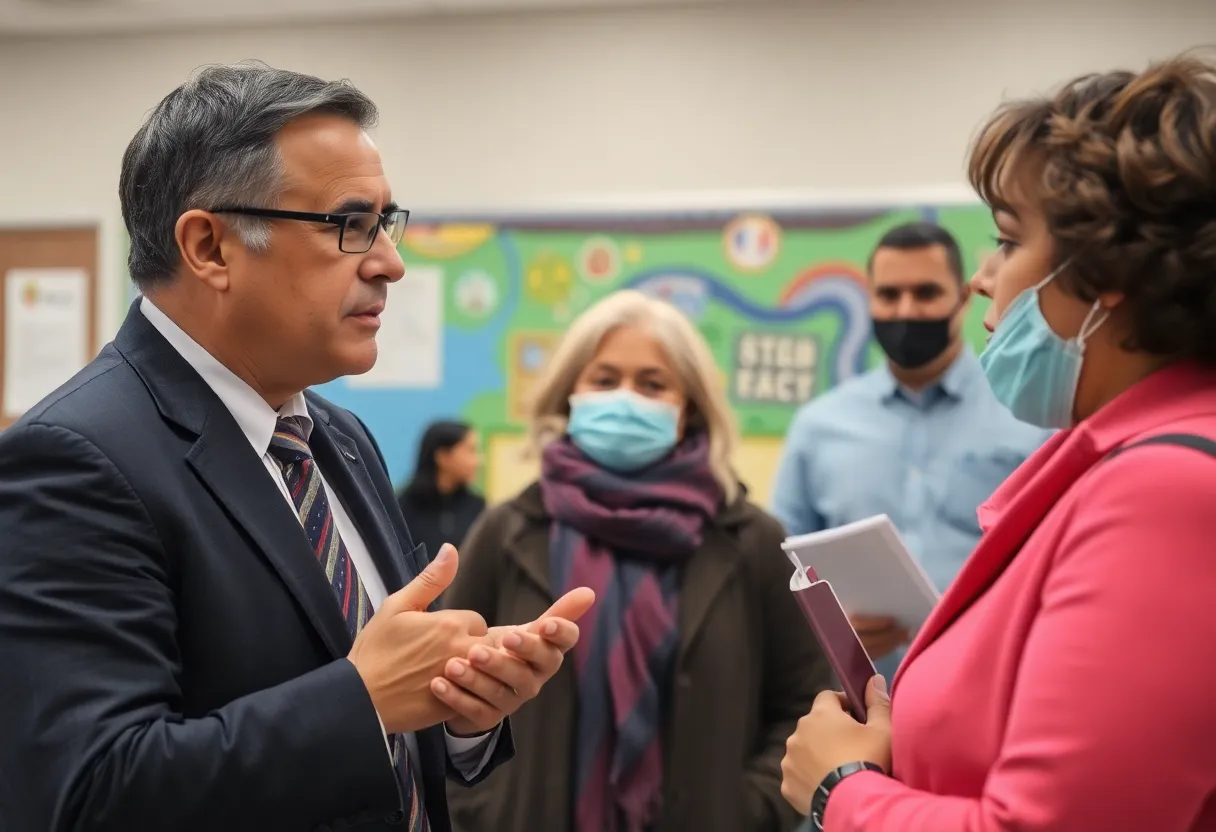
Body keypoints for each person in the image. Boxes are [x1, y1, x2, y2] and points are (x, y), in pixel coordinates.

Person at [0, 62, 595, 832]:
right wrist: (363, 698)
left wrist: (460, 709)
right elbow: (88, 794)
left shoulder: (336, 439)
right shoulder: (74, 461)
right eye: (349, 225)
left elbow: (387, 729)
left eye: (388, 222)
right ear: (210, 247)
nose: (389, 261)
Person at [780, 54, 1216, 832]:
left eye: (1009, 242)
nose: (985, 278)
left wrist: (839, 788)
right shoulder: (1113, 456)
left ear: (1105, 272)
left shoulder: (1166, 490)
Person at [442, 289, 830, 832]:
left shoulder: (750, 539)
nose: (626, 398)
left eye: (652, 384)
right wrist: (482, 811)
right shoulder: (508, 532)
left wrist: (750, 810)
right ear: (569, 392)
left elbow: (805, 701)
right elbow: (447, 693)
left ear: (687, 405)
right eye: (604, 379)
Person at [770, 222, 1050, 680]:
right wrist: (830, 625)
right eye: (889, 295)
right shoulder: (817, 426)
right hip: (857, 702)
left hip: (991, 686)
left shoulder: (1027, 410)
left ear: (962, 299)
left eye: (925, 293)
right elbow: (780, 573)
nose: (906, 310)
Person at [397, 420, 487, 560]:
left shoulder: (477, 506)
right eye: (470, 450)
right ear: (442, 456)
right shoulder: (401, 507)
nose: (478, 461)